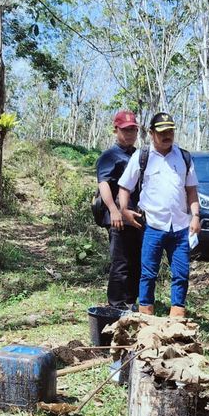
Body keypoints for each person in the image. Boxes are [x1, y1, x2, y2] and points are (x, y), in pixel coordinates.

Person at [118, 112, 200, 318]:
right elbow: (124, 187)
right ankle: (146, 317)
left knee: (181, 274)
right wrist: (124, 210)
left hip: (180, 227)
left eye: (170, 131)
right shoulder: (142, 156)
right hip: (153, 226)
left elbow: (191, 190)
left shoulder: (184, 157)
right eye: (162, 132)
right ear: (151, 133)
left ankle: (177, 319)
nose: (167, 136)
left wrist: (196, 216)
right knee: (148, 274)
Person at [95, 109, 142, 310]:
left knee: (136, 262)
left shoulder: (139, 155)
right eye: (125, 130)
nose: (129, 134)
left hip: (137, 216)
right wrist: (113, 210)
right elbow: (103, 184)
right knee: (120, 262)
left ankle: (131, 301)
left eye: (133, 130)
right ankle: (116, 304)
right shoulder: (109, 156)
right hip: (118, 218)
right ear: (116, 130)